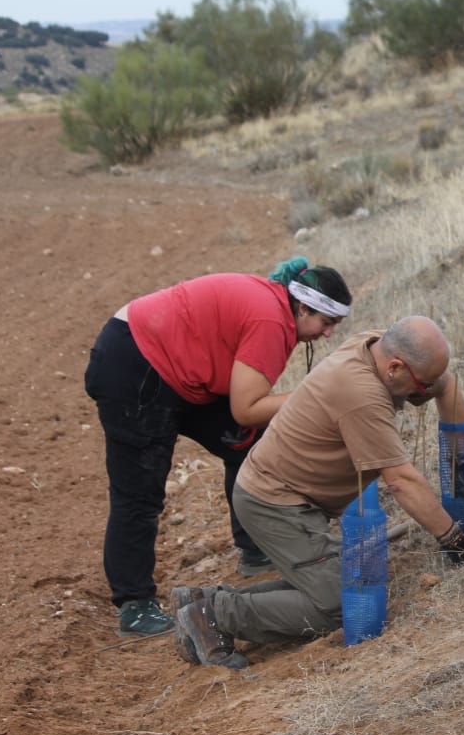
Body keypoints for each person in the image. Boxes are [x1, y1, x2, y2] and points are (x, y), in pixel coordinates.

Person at [171, 315, 464, 668]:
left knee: (344, 581)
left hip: (287, 494)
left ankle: (200, 600)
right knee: (342, 603)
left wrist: (459, 453)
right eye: (419, 387)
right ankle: (215, 616)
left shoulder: (374, 345)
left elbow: (444, 383)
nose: (420, 395)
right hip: (274, 502)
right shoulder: (361, 394)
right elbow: (400, 481)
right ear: (394, 367)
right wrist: (454, 540)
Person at [85, 256, 353, 637]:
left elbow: (246, 415)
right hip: (134, 364)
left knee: (250, 446)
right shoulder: (271, 321)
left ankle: (256, 549)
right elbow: (246, 408)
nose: (328, 334)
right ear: (303, 306)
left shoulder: (278, 308)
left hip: (176, 370)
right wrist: (317, 396)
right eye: (327, 323)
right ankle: (135, 605)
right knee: (139, 492)